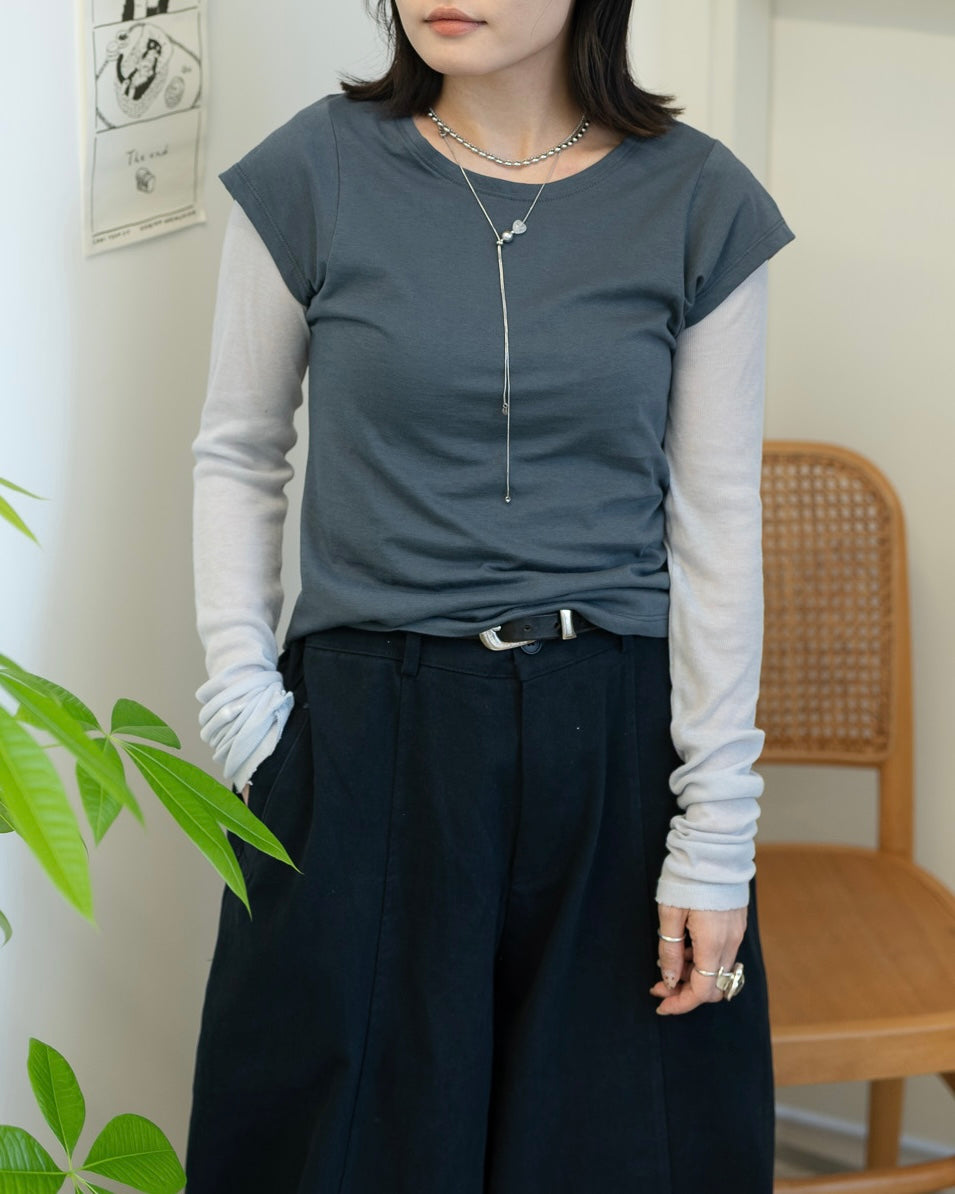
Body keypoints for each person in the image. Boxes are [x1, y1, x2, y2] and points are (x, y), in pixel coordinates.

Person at [183, 1, 795, 1191]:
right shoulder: (310, 171)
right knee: (341, 1154)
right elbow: (239, 449)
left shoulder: (700, 200)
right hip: (366, 734)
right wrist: (246, 714)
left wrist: (717, 835)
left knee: (616, 1153)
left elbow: (717, 522)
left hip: (614, 742)